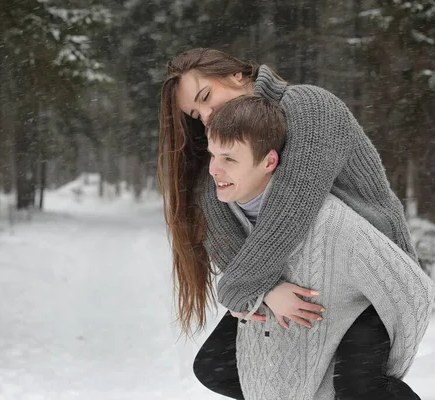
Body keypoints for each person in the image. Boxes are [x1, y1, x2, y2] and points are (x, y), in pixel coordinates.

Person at [157, 48, 423, 398]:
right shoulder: (228, 144)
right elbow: (220, 227)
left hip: (367, 281)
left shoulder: (310, 107)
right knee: (215, 367)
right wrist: (264, 290)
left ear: (238, 75)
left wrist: (243, 289)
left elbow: (293, 206)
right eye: (195, 113)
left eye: (205, 97)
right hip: (305, 276)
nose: (206, 114)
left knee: (358, 386)